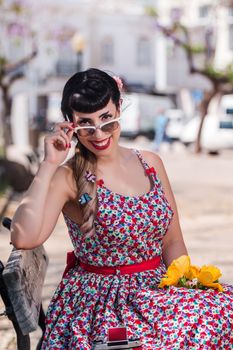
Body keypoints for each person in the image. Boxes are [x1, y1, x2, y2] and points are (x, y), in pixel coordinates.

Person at [11, 68, 233, 349]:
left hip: (155, 296)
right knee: (149, 344)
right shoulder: (67, 176)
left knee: (222, 311)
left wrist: (187, 292)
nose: (99, 133)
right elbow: (23, 237)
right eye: (85, 124)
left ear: (119, 108)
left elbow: (173, 241)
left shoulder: (150, 163)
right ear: (70, 125)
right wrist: (49, 163)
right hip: (102, 309)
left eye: (107, 119)